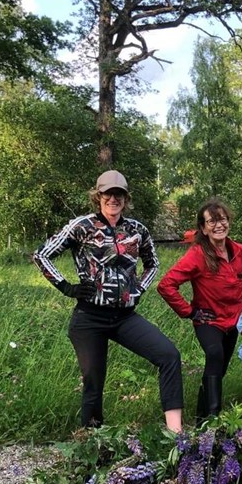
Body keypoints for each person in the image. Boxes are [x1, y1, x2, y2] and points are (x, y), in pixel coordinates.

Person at [33, 169, 183, 432]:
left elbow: (153, 263)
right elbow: (42, 255)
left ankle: (175, 433)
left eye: (119, 194)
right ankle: (92, 442)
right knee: (94, 379)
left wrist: (138, 289)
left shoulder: (136, 230)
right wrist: (66, 287)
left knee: (169, 355)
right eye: (108, 193)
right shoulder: (82, 226)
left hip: (125, 316)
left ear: (125, 198)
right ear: (98, 196)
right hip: (89, 317)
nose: (113, 198)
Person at [157, 198, 242, 421]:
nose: (218, 225)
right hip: (208, 319)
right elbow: (166, 285)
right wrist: (189, 311)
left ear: (228, 222)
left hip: (234, 319)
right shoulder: (198, 254)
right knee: (214, 355)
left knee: (219, 368)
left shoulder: (238, 251)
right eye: (212, 221)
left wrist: (241, 295)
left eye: (222, 219)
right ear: (204, 228)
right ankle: (214, 418)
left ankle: (201, 419)